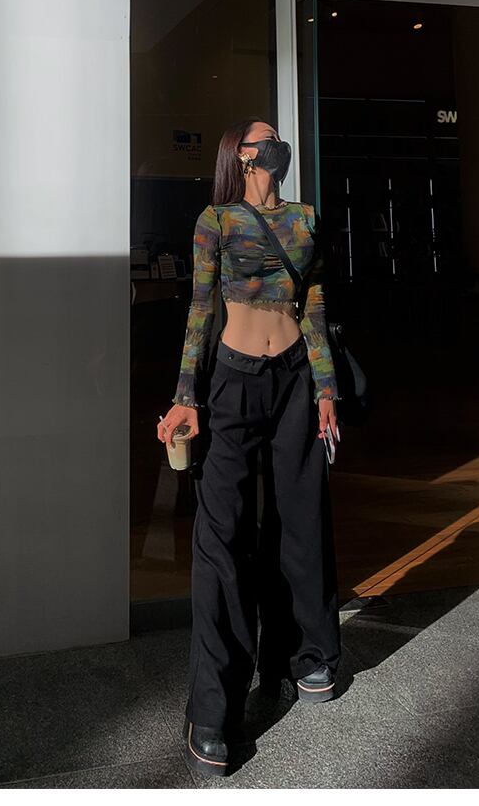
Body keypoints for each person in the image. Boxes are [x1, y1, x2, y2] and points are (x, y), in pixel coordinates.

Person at [156, 118, 342, 778]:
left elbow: (314, 306)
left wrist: (326, 388)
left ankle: (304, 658)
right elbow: (199, 310)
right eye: (266, 138)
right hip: (232, 382)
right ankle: (214, 711)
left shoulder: (305, 218)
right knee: (222, 538)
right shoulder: (216, 221)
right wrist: (186, 395)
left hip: (294, 382)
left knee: (300, 520)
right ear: (243, 155)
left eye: (277, 137)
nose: (277, 145)